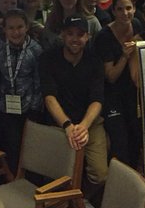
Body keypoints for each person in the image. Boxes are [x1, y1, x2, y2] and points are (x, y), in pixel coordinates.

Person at [41, 15, 108, 188]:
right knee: (58, 176)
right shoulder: (48, 59)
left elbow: (97, 99)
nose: (75, 39)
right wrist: (68, 126)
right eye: (70, 34)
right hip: (60, 124)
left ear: (88, 36)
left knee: (100, 174)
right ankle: (64, 204)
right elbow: (49, 97)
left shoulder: (95, 60)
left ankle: (85, 201)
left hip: (89, 123)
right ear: (62, 35)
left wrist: (83, 126)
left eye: (80, 34)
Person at [0, 9, 43, 172]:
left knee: (29, 147)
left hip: (29, 108)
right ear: (4, 29)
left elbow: (39, 83)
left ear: (27, 27)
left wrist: (35, 109)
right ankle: (11, 178)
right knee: (10, 146)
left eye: (20, 27)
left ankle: (28, 181)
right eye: (11, 28)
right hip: (5, 107)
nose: (15, 32)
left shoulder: (35, 50)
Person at [95, 0, 140, 169]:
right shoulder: (104, 36)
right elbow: (111, 76)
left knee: (136, 139)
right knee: (120, 144)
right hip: (113, 96)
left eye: (128, 8)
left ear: (134, 9)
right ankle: (119, 185)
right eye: (120, 9)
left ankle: (137, 186)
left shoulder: (137, 25)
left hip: (133, 94)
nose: (125, 13)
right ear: (113, 11)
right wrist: (124, 55)